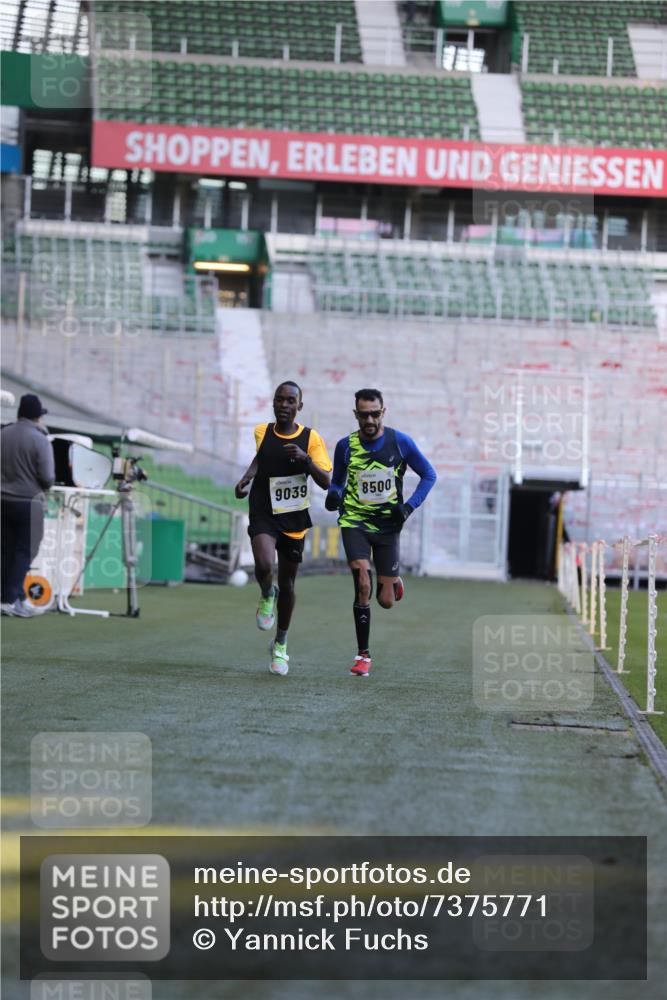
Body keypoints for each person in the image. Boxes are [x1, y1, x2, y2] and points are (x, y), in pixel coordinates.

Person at [325, 388, 436, 677]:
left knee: (385, 601)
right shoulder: (345, 446)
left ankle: (393, 580)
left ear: (383, 412)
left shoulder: (399, 442)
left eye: (375, 414)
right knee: (363, 583)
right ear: (356, 415)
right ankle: (363, 655)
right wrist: (333, 495)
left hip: (388, 526)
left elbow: (429, 475)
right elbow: (336, 482)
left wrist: (409, 507)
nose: (370, 420)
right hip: (354, 522)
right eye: (364, 415)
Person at [235, 381, 332, 676]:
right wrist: (246, 478)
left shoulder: (311, 438)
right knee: (264, 563)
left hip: (293, 517)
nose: (285, 405)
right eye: (280, 400)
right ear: (274, 403)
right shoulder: (261, 432)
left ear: (299, 407)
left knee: (289, 585)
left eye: (291, 401)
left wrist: (306, 461)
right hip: (264, 508)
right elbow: (261, 458)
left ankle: (280, 644)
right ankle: (267, 594)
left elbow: (327, 481)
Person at [1, 393, 55, 617]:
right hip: (28, 502)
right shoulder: (39, 439)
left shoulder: (3, 434)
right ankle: (9, 599)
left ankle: (14, 598)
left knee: (5, 551)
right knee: (25, 552)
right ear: (36, 417)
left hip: (2, 500)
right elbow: (48, 477)